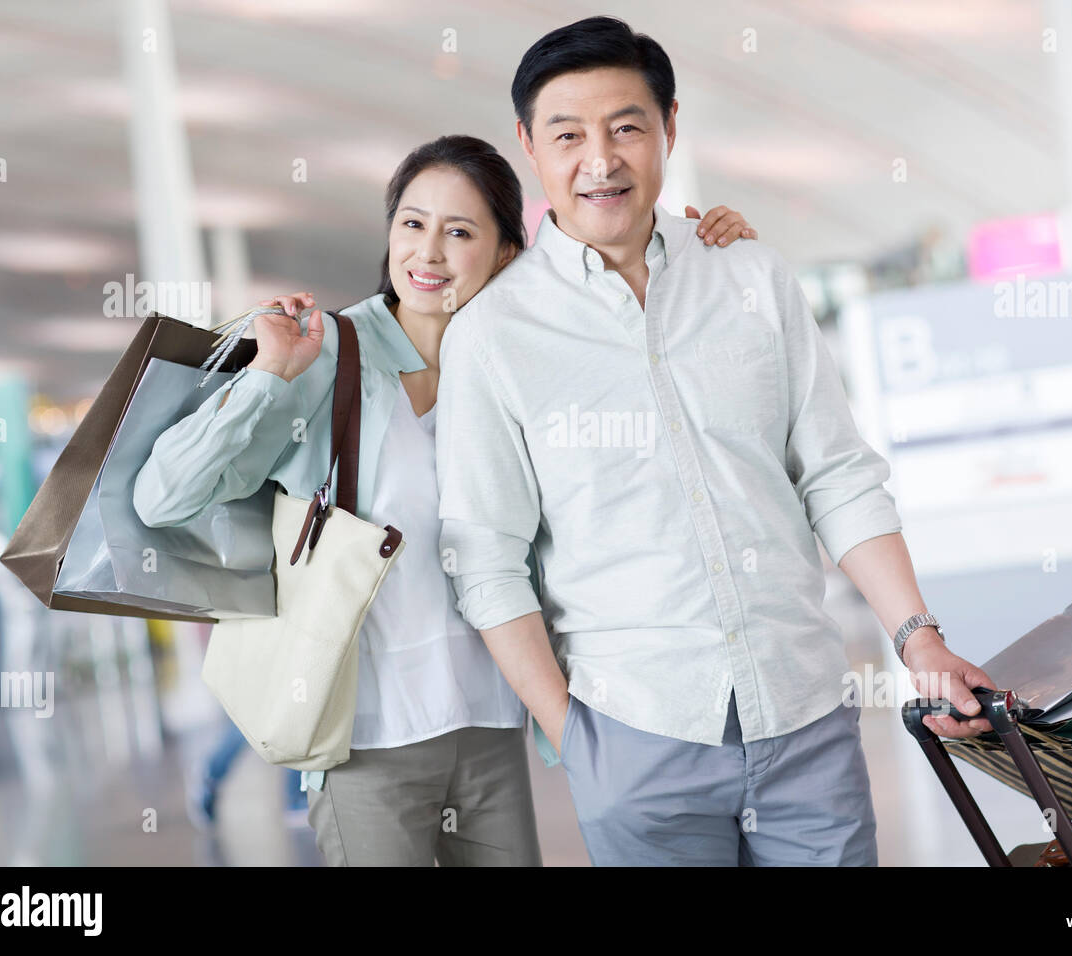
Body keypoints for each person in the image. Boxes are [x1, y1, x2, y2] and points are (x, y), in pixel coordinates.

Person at [435, 16, 998, 867]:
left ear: (668, 126)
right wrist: (577, 739)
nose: (601, 159)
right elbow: (486, 559)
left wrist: (918, 638)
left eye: (627, 126)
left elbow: (838, 476)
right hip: (636, 735)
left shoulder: (750, 277)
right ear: (527, 144)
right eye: (569, 135)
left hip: (805, 719)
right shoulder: (496, 335)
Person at [133, 133, 757, 865]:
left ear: (504, 255)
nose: (427, 254)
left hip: (493, 730)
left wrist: (700, 262)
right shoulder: (325, 355)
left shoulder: (513, 360)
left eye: (459, 232)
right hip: (365, 740)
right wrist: (269, 374)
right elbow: (163, 496)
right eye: (412, 223)